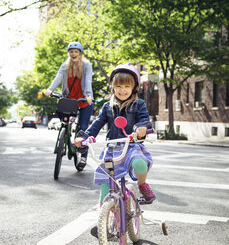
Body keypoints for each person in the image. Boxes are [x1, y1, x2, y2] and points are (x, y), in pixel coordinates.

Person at [74, 64, 156, 206]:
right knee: (106, 183)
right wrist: (85, 137)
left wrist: (141, 128)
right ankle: (102, 218)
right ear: (112, 87)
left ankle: (142, 185)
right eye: (118, 86)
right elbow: (97, 124)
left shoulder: (138, 104)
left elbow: (144, 120)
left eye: (126, 87)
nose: (122, 90)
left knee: (140, 164)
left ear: (134, 88)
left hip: (130, 146)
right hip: (111, 148)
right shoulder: (107, 107)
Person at [45, 42, 94, 170]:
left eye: (76, 52)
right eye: (71, 52)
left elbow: (88, 80)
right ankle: (64, 138)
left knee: (83, 128)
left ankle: (83, 157)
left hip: (84, 100)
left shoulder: (87, 65)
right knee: (64, 123)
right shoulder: (65, 66)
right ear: (69, 53)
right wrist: (50, 89)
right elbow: (58, 77)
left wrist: (89, 95)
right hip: (69, 100)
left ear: (80, 53)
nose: (73, 54)